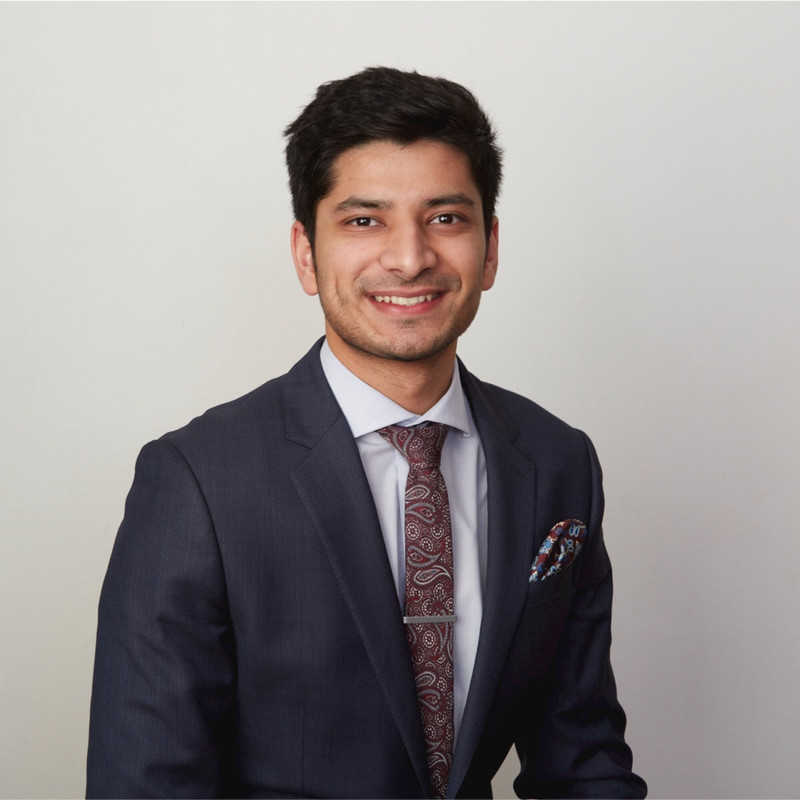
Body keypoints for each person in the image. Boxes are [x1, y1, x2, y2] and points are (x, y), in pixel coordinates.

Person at [87, 66, 646, 799]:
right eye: (364, 221)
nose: (410, 258)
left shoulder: (556, 461)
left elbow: (584, 763)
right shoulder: (198, 481)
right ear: (305, 253)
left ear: (490, 248)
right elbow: (148, 784)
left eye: (445, 218)